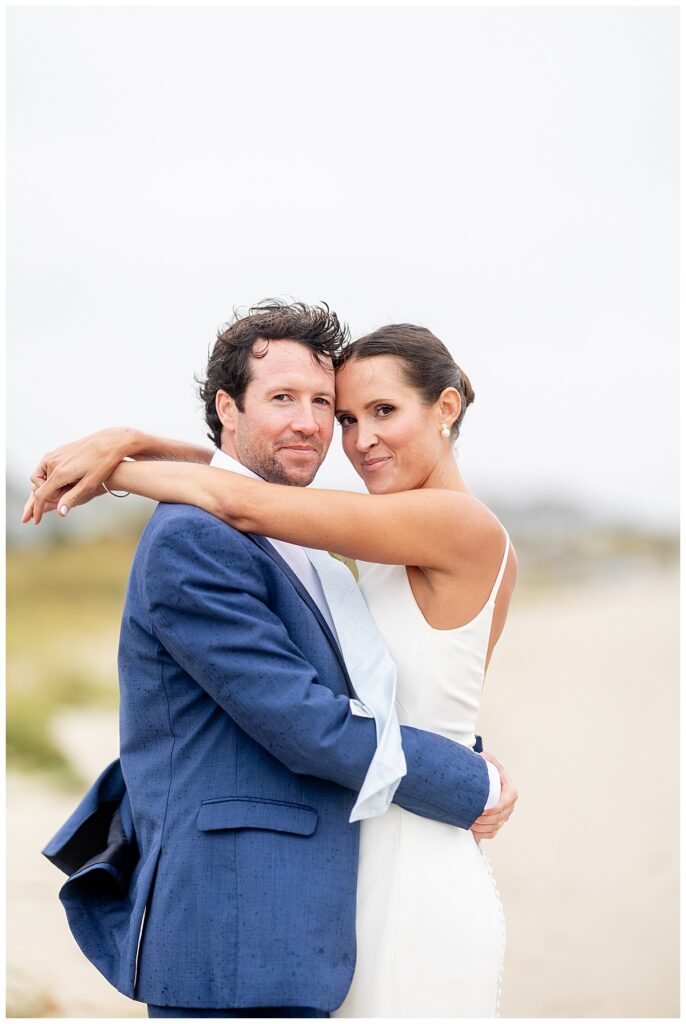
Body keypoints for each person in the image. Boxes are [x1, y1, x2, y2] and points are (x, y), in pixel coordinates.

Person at [28, 301, 517, 1018]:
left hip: (401, 849)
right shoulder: (232, 533)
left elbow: (246, 494)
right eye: (346, 416)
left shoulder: (447, 522)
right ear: (227, 406)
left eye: (347, 408)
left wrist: (122, 464)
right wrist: (131, 447)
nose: (342, 434)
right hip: (311, 878)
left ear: (446, 408)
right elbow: (244, 491)